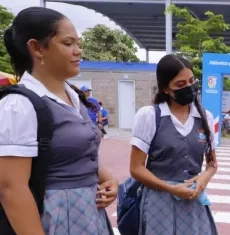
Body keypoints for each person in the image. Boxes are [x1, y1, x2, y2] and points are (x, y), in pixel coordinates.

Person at [0, 7, 117, 235]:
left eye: (77, 43)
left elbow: (76, 152)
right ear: (36, 48)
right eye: (68, 43)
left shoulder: (73, 97)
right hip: (55, 219)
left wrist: (110, 179)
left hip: (89, 216)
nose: (78, 51)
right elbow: (11, 189)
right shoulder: (19, 105)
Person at [129, 54, 218, 235]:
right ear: (165, 89)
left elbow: (212, 163)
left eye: (192, 81)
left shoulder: (205, 118)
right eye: (180, 84)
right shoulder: (150, 116)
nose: (189, 87)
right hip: (158, 201)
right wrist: (171, 188)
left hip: (192, 200)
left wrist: (203, 178)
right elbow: (136, 168)